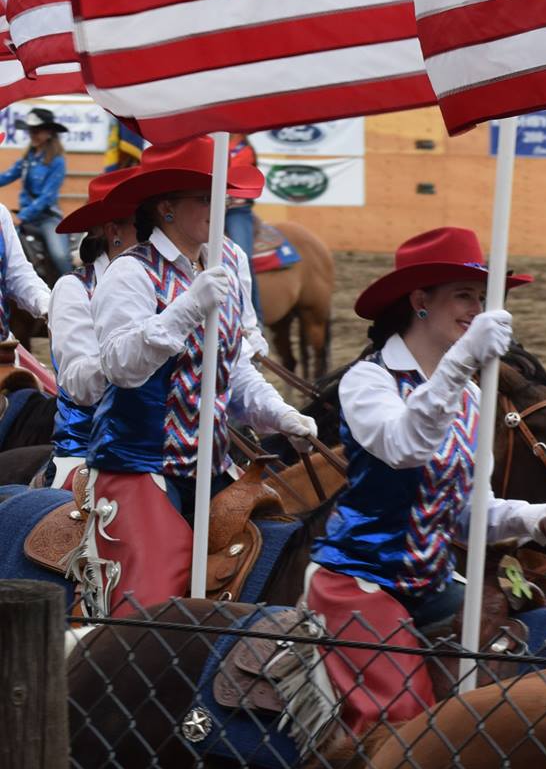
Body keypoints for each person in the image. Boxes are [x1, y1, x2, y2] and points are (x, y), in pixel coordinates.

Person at [304, 228, 546, 733]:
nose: (476, 308)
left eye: (482, 298)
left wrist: (529, 517)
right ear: (420, 300)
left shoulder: (470, 397)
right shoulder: (370, 380)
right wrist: (460, 362)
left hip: (433, 583)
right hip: (359, 581)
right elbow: (405, 447)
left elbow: (468, 515)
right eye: (463, 295)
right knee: (399, 721)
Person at [79, 138, 316, 617]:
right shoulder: (130, 274)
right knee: (145, 601)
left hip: (211, 465)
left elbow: (233, 371)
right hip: (139, 463)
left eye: (222, 196)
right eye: (206, 198)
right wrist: (187, 309)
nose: (222, 206)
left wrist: (282, 415)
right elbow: (121, 367)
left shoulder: (225, 264)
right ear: (166, 208)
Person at [46, 168, 140, 492]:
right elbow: (79, 384)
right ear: (113, 230)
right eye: (145, 226)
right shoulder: (73, 289)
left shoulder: (156, 287)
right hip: (84, 452)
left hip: (154, 456)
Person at [2, 108, 69, 276]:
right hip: (24, 217)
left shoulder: (57, 161)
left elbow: (48, 197)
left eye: (37, 130)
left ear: (49, 133)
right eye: (31, 130)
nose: (32, 134)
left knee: (60, 255)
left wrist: (22, 216)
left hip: (46, 218)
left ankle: (73, 286)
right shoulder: (27, 158)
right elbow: (6, 176)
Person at [224, 133, 262, 317]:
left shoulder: (243, 150)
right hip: (210, 207)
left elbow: (233, 176)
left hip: (236, 210)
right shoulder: (213, 142)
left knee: (242, 257)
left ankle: (255, 318)